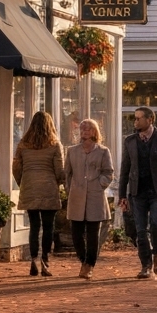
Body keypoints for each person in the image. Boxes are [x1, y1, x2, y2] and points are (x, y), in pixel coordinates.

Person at [118, 107, 157, 279]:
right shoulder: (130, 141)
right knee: (140, 230)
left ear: (150, 120)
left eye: (139, 118)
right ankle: (146, 265)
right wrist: (122, 195)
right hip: (137, 191)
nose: (135, 122)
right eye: (135, 119)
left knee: (156, 225)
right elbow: (125, 169)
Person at [12, 111, 64, 277]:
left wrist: (23, 182)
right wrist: (59, 182)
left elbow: (16, 168)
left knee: (34, 226)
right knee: (48, 227)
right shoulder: (55, 144)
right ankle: (45, 261)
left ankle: (33, 258)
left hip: (30, 187)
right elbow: (59, 171)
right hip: (48, 187)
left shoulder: (23, 144)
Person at [65, 118, 113, 280]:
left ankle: (89, 265)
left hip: (95, 196)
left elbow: (108, 172)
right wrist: (70, 188)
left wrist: (100, 184)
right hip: (77, 196)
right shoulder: (72, 151)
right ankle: (83, 260)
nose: (85, 131)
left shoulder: (103, 151)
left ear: (95, 132)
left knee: (93, 233)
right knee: (76, 234)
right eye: (82, 129)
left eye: (88, 129)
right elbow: (67, 173)